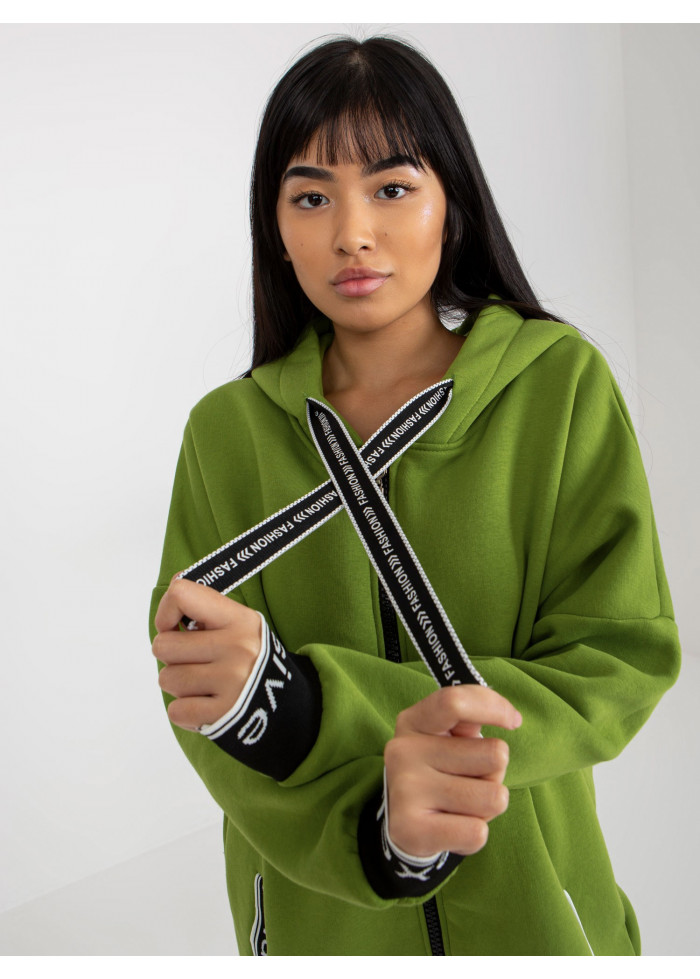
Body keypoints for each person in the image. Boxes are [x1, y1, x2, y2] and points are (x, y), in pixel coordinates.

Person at [148, 35, 681, 956]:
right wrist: (376, 834)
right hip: (321, 931)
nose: (352, 233)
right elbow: (205, 702)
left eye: (392, 188)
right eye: (311, 196)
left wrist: (312, 706)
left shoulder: (557, 388)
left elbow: (618, 656)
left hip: (536, 916)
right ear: (275, 224)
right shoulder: (225, 434)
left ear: (452, 203)